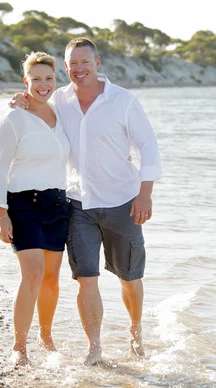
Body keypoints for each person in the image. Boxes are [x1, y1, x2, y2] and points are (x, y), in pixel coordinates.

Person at [9, 37, 162, 365]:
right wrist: (20, 101)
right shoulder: (60, 100)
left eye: (84, 62)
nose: (78, 68)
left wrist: (145, 194)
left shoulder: (123, 100)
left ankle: (136, 333)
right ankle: (95, 346)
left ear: (97, 62)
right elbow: (38, 113)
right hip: (77, 205)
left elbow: (147, 146)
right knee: (86, 279)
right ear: (65, 67)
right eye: (72, 63)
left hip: (124, 202)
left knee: (130, 278)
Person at [0, 51, 71, 366]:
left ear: (56, 80)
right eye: (36, 79)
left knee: (51, 278)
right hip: (23, 205)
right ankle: (19, 347)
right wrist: (1, 214)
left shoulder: (61, 114)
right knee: (33, 274)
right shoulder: (13, 118)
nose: (43, 84)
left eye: (48, 78)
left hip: (57, 203)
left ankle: (45, 335)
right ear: (26, 82)